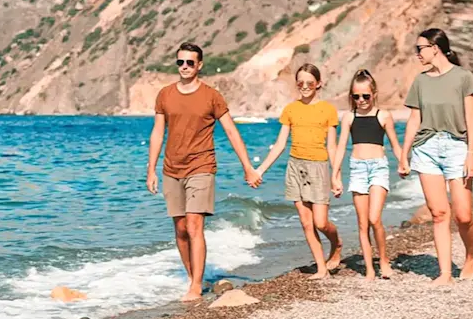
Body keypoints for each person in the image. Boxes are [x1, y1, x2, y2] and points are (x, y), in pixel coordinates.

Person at [146, 42, 262, 302]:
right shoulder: (165, 95)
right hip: (171, 169)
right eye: (180, 62)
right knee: (180, 229)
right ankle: (193, 277)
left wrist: (247, 167)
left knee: (194, 224)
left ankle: (196, 286)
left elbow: (231, 131)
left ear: (199, 65)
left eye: (190, 62)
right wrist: (151, 169)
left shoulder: (212, 96)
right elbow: (157, 132)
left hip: (201, 166)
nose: (185, 67)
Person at [399, 28, 473, 286]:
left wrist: (471, 154)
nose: (417, 54)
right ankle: (445, 274)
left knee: (463, 215)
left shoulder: (463, 77)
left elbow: (472, 118)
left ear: (435, 48)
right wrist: (403, 154)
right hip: (426, 148)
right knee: (439, 213)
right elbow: (414, 119)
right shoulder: (420, 81)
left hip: (457, 146)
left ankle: (470, 257)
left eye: (420, 48)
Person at [253, 64, 343, 280]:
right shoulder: (290, 110)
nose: (305, 86)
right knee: (306, 222)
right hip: (295, 167)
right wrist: (260, 170)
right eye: (300, 83)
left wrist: (336, 176)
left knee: (321, 222)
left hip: (319, 167)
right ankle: (321, 268)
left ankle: (336, 243)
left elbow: (332, 147)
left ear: (318, 84)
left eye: (309, 83)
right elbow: (279, 144)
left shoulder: (328, 110)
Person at [332, 69, 407, 280]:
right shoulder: (349, 117)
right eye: (356, 96)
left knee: (374, 218)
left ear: (374, 94)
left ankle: (383, 260)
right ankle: (369, 269)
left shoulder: (383, 116)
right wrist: (335, 175)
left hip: (378, 168)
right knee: (362, 223)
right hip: (357, 169)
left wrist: (403, 162)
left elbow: (395, 144)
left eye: (365, 96)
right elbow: (340, 147)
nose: (361, 100)